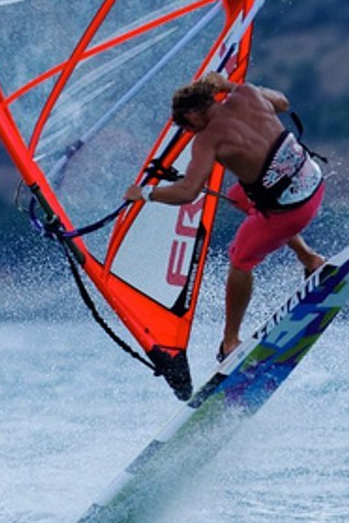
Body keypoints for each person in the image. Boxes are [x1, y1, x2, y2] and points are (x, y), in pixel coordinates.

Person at [124, 70, 327, 366]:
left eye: (184, 125)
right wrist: (229, 84)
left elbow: (187, 192)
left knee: (239, 261)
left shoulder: (207, 140)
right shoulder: (246, 93)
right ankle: (310, 259)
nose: (188, 132)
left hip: (291, 213)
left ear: (192, 116)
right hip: (314, 185)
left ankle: (230, 341)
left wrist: (144, 193)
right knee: (237, 196)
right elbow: (282, 102)